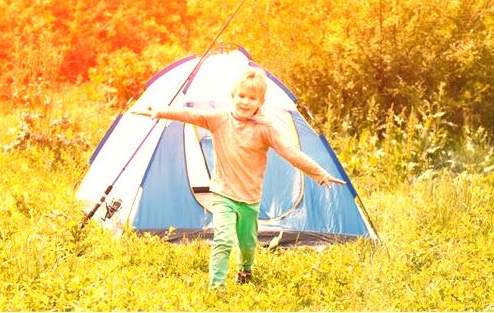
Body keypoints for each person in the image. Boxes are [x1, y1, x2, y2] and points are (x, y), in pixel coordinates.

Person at [140, 68, 345, 289]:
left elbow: (290, 152)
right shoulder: (220, 119)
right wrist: (160, 111)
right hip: (223, 193)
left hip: (250, 198)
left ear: (261, 101)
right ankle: (217, 287)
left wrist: (319, 173)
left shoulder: (266, 129)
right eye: (242, 96)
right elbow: (191, 115)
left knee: (248, 244)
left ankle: (245, 270)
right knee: (223, 239)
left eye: (252, 98)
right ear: (233, 96)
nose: (245, 102)